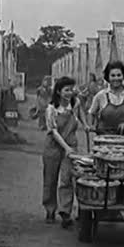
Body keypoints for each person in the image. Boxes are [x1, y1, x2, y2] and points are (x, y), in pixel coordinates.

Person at [41, 76, 85, 227]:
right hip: (54, 147)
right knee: (50, 179)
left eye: (71, 89)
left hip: (71, 146)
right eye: (66, 90)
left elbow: (81, 113)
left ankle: (65, 212)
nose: (69, 93)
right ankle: (50, 209)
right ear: (59, 92)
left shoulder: (75, 104)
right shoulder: (51, 109)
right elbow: (53, 131)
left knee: (68, 179)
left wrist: (85, 125)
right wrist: (65, 147)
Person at [87, 61, 124, 139]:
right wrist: (91, 125)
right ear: (108, 77)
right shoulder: (100, 96)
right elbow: (90, 113)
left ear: (123, 76)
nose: (116, 78)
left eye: (119, 75)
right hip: (103, 140)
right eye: (113, 75)